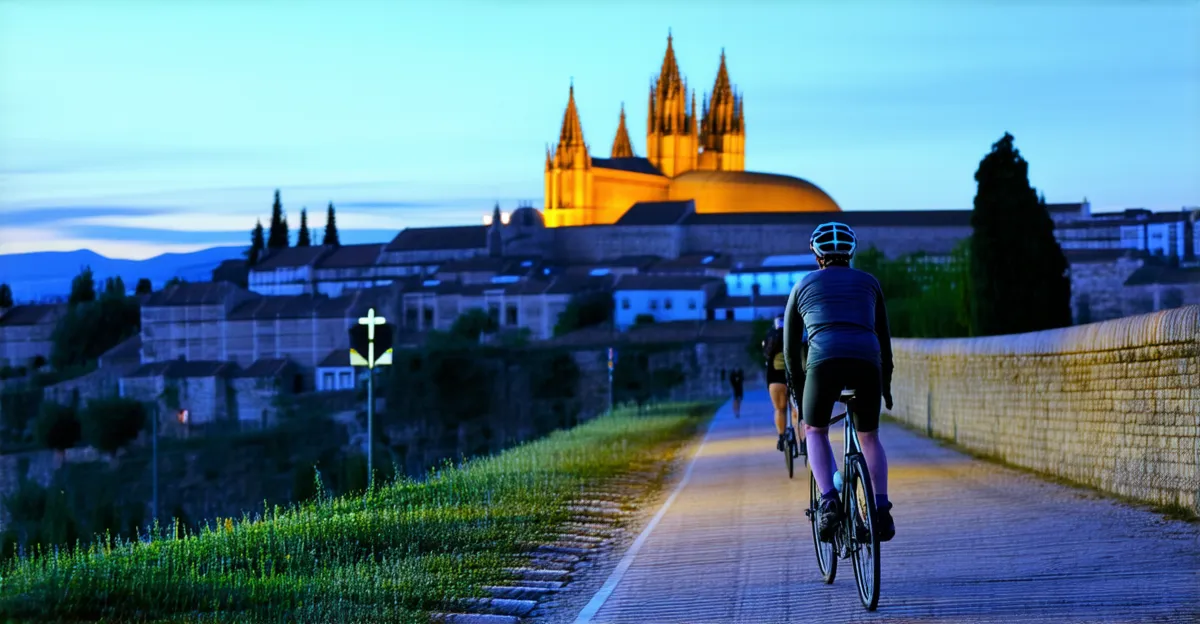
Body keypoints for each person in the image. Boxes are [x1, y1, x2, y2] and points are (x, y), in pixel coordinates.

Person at [783, 221, 896, 543]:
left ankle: (829, 499)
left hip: (824, 362)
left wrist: (797, 388)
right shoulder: (870, 283)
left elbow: (791, 349)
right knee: (870, 437)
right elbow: (884, 341)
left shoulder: (802, 285)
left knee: (815, 430)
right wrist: (884, 383)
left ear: (817, 255)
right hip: (866, 362)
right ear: (851, 252)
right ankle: (881, 509)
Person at [762, 315, 802, 453]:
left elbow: (766, 355)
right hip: (794, 376)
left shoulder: (771, 335)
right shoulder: (795, 333)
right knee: (797, 411)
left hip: (775, 378)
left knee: (780, 409)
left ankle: (781, 437)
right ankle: (802, 440)